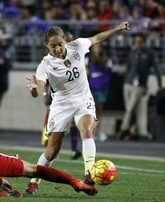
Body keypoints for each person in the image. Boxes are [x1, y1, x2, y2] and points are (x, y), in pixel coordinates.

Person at [25, 21, 130, 195]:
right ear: (47, 46)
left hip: (83, 100)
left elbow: (97, 38)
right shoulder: (45, 64)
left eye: (60, 44)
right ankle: (34, 181)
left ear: (65, 40)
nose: (57, 49)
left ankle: (89, 173)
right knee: (51, 152)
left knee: (87, 130)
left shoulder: (78, 46)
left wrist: (117, 29)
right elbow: (40, 88)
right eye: (53, 46)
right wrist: (35, 90)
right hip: (61, 104)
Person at [119, 33, 162, 140]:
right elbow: (129, 67)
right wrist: (125, 81)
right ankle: (133, 131)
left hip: (140, 85)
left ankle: (123, 129)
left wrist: (159, 83)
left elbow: (156, 68)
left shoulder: (150, 54)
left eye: (140, 42)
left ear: (144, 42)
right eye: (136, 41)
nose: (137, 44)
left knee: (129, 109)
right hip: (128, 83)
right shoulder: (132, 53)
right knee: (130, 109)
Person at [86, 43, 112, 142]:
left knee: (99, 111)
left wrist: (104, 84)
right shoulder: (88, 60)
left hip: (102, 88)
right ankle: (92, 131)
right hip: (92, 88)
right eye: (96, 47)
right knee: (92, 111)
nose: (97, 49)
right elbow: (86, 74)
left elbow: (109, 74)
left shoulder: (106, 60)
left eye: (99, 47)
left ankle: (99, 131)